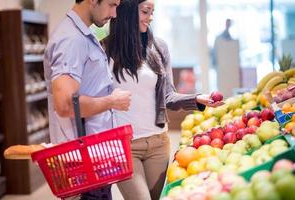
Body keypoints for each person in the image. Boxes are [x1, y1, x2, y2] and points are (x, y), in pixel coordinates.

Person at [103, 0, 223, 199]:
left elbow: (168, 96)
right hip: (123, 146)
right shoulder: (103, 49)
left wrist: (197, 99)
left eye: (152, 12)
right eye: (145, 11)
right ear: (128, 11)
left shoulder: (158, 47)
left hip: (158, 143)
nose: (150, 17)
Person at [43, 0, 131, 199]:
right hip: (81, 166)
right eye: (111, 4)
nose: (115, 14)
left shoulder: (84, 34)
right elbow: (65, 105)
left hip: (94, 160)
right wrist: (112, 101)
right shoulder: (71, 39)